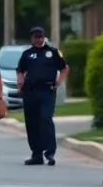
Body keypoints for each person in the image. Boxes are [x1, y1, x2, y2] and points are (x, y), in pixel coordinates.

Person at [15, 26, 69, 166]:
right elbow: (20, 70)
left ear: (44, 37)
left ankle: (50, 153)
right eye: (35, 37)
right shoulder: (27, 54)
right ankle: (36, 154)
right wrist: (20, 80)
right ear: (31, 38)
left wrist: (59, 80)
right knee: (32, 123)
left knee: (46, 118)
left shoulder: (52, 52)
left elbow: (64, 68)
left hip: (47, 91)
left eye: (40, 37)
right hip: (30, 91)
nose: (38, 39)